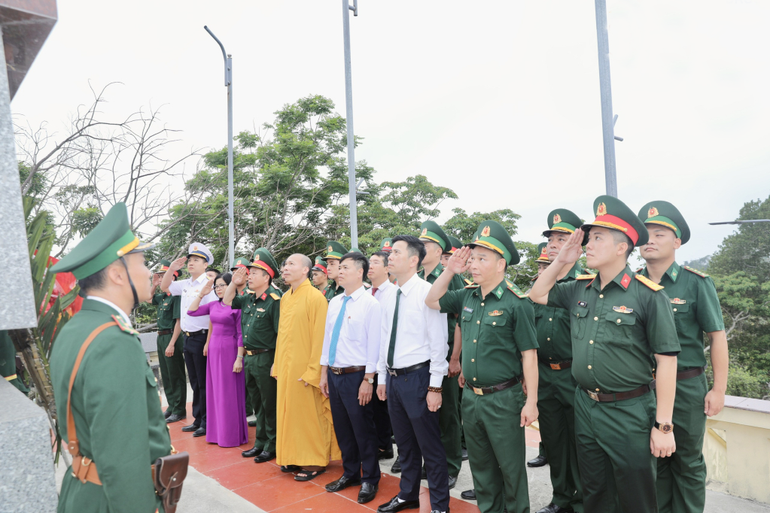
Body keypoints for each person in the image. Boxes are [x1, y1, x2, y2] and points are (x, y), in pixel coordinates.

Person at [529, 195, 680, 513]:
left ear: (622, 247)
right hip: (586, 406)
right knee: (595, 491)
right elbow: (537, 293)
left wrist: (663, 426)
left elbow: (667, 362)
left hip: (629, 410)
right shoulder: (578, 289)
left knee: (635, 495)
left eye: (597, 238)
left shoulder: (648, 296)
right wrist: (562, 260)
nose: (589, 245)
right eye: (589, 238)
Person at [49, 202, 172, 513]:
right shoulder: (114, 340)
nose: (149, 273)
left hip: (84, 490)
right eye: (142, 262)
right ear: (118, 274)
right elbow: (123, 459)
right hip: (112, 500)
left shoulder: (76, 327)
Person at [426, 220, 539, 513]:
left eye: (481, 258)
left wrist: (532, 403)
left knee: (511, 468)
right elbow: (431, 299)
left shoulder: (517, 303)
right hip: (472, 397)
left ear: (501, 264)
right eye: (472, 257)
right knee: (482, 468)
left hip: (504, 398)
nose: (473, 264)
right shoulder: (467, 295)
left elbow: (529, 355)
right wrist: (451, 269)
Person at [637, 201, 728, 513]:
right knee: (654, 462)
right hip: (643, 389)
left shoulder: (695, 283)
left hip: (687, 387)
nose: (649, 240)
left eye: (659, 234)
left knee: (687, 462)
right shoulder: (633, 284)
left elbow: (717, 337)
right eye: (645, 234)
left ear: (676, 242)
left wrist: (718, 389)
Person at [375, 235, 449, 513]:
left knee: (430, 447)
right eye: (390, 253)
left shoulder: (427, 293)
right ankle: (408, 494)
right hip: (394, 380)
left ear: (413, 260)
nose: (389, 257)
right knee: (405, 445)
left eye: (395, 253)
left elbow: (438, 342)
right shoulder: (390, 294)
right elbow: (385, 339)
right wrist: (382, 378)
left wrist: (435, 388)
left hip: (419, 379)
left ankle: (440, 505)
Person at [532, 209, 587, 513]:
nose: (554, 244)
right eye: (551, 239)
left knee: (581, 443)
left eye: (562, 239)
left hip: (573, 375)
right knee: (553, 441)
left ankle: (581, 501)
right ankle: (561, 499)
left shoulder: (584, 285)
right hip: (545, 375)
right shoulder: (540, 286)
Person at [320, 252, 382, 504]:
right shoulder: (335, 302)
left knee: (363, 429)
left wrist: (368, 380)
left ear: (360, 272)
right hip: (334, 374)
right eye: (339, 267)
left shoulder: (371, 304)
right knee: (343, 428)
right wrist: (323, 372)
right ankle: (350, 473)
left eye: (345, 267)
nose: (339, 270)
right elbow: (327, 339)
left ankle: (370, 479)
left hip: (357, 376)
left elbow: (375, 345)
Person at [272, 253, 341, 481]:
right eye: (284, 264)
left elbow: (321, 337)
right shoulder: (285, 297)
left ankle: (314, 460)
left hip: (306, 370)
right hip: (286, 367)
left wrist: (314, 371)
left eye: (291, 264)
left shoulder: (315, 298)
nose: (285, 268)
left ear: (305, 270)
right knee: (289, 414)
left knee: (309, 416)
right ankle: (293, 455)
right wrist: (277, 364)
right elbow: (282, 335)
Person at [417, 220, 465, 489]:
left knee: (447, 413)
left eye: (427, 245)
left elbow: (460, 319)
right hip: (420, 356)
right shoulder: (416, 278)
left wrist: (455, 357)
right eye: (421, 244)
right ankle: (432, 461)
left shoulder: (450, 275)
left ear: (439, 251)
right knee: (426, 412)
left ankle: (451, 465)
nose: (422, 249)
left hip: (444, 353)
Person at [225, 248, 282, 463]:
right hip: (249, 357)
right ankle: (260, 442)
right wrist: (233, 282)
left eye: (254, 273)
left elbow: (280, 335)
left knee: (270, 404)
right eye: (249, 272)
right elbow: (227, 300)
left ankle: (273, 444)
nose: (249, 276)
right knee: (257, 403)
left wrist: (276, 363)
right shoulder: (248, 298)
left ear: (267, 277)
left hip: (266, 357)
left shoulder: (275, 300)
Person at [162, 244, 218, 438]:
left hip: (202, 336)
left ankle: (207, 422)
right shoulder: (186, 284)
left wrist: (208, 342)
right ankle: (197, 419)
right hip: (188, 337)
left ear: (205, 264)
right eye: (190, 260)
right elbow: (164, 286)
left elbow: (212, 315)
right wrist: (171, 269)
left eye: (196, 260)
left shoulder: (208, 284)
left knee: (203, 382)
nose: (191, 263)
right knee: (194, 382)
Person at [187, 272, 248, 447]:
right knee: (215, 393)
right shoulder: (213, 305)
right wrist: (202, 294)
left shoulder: (237, 306)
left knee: (228, 394)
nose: (218, 289)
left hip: (230, 352)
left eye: (222, 285)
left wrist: (238, 358)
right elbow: (191, 311)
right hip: (213, 352)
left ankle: (230, 435)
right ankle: (216, 434)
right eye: (217, 286)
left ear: (230, 285)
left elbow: (240, 334)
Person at [368, 250, 396, 460]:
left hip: (386, 361)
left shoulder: (393, 293)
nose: (370, 266)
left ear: (387, 268)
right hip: (368, 360)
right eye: (369, 262)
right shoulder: (367, 292)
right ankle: (381, 445)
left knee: (387, 409)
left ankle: (392, 449)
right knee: (374, 409)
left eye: (375, 262)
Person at [152, 260, 186, 424]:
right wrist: (153, 284)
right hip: (161, 337)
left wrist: (172, 343)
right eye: (159, 276)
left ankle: (179, 409)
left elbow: (179, 322)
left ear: (173, 276)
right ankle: (172, 406)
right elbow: (147, 298)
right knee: (166, 374)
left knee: (175, 374)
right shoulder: (163, 296)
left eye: (163, 276)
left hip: (172, 336)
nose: (160, 279)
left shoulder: (176, 296)